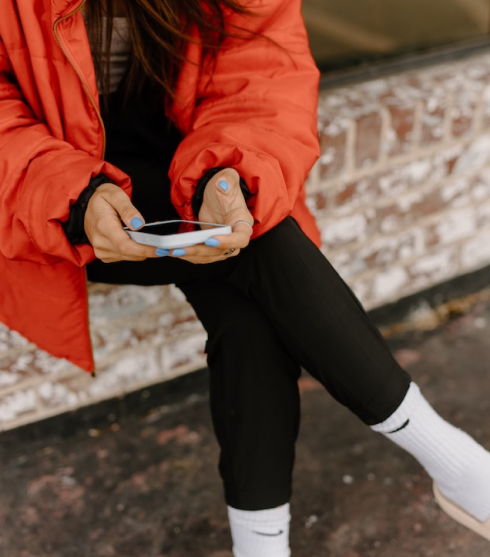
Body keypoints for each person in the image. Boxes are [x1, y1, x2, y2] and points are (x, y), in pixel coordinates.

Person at [1, 0, 489, 555]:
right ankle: (454, 461)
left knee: (252, 297)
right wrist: (71, 197)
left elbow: (262, 70)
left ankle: (265, 546)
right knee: (264, 258)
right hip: (58, 198)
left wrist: (229, 175)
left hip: (193, 161)